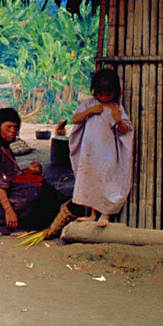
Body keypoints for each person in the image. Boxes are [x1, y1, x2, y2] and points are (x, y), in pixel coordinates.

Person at [0, 107, 64, 234]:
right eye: (8, 127)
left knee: (44, 186)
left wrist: (28, 170)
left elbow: (9, 173)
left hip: (2, 192)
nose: (13, 131)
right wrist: (8, 210)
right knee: (35, 193)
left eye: (15, 127)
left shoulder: (3, 146)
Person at [69, 68, 133, 227]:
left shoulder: (115, 108)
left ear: (115, 92)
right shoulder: (89, 104)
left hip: (108, 153)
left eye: (108, 94)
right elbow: (76, 119)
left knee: (106, 180)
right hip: (89, 152)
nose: (104, 97)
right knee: (90, 179)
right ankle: (92, 214)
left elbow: (124, 131)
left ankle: (105, 215)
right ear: (94, 91)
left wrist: (118, 120)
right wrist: (89, 111)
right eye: (101, 94)